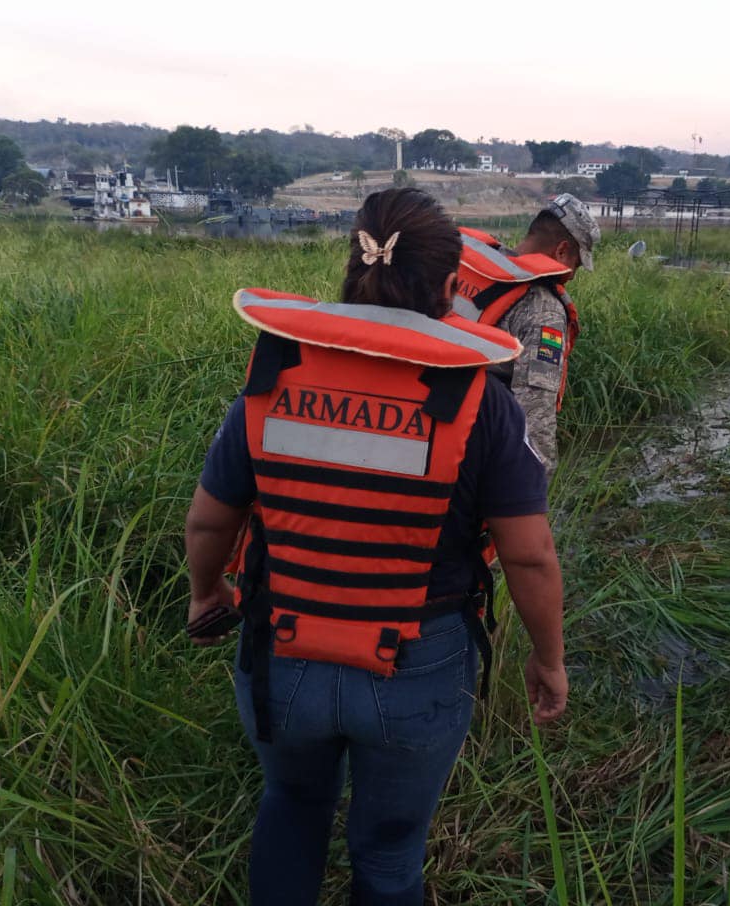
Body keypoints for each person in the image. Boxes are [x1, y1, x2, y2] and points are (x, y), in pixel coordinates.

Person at [184, 187, 568, 905]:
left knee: (291, 807)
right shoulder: (482, 402)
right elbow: (529, 555)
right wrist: (548, 661)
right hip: (417, 665)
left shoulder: (270, 381)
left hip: (282, 653)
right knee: (390, 855)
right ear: (455, 288)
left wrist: (209, 594)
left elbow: (210, 523)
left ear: (351, 268)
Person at [452, 193, 600, 481]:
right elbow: (535, 417)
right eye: (576, 264)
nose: (572, 275)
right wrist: (534, 493)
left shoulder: (461, 263)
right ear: (562, 250)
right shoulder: (543, 309)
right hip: (469, 459)